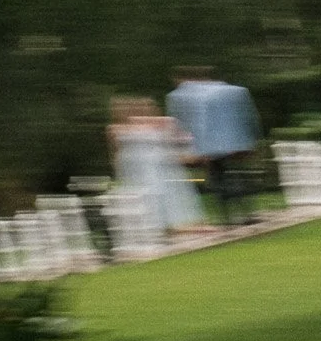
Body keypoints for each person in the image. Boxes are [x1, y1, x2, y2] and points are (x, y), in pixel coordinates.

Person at [107, 96, 205, 244]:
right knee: (141, 194)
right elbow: (115, 150)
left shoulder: (159, 123)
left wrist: (184, 155)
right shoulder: (114, 128)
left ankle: (166, 225)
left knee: (158, 192)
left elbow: (176, 140)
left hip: (154, 164)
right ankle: (149, 226)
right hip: (132, 165)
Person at [167, 69, 261, 222]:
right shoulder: (236, 91)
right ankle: (247, 213)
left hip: (211, 145)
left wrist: (194, 147)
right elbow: (249, 116)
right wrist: (252, 138)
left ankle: (227, 216)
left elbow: (191, 123)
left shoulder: (183, 97)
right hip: (238, 142)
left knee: (218, 178)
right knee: (238, 174)